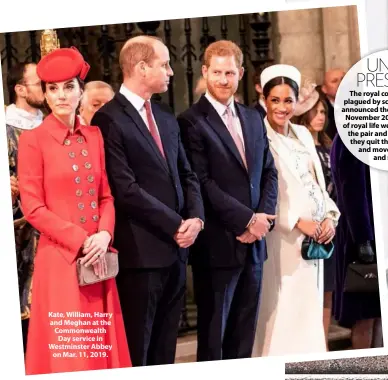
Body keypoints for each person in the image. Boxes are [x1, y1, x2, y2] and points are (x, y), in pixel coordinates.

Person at [91, 35, 204, 367]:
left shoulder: (166, 115)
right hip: (140, 254)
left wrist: (196, 218)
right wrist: (175, 224)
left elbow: (187, 173)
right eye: (164, 64)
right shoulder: (108, 118)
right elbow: (125, 189)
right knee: (138, 350)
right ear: (141, 67)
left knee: (165, 350)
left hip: (176, 251)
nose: (170, 71)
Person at [18, 47, 132, 375]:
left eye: (68, 86)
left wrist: (105, 234)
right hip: (61, 261)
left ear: (81, 91)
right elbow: (34, 207)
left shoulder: (94, 136)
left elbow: (106, 197)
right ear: (45, 94)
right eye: (52, 88)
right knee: (72, 353)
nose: (61, 95)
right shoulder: (32, 141)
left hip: (98, 259)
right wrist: (83, 240)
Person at [177, 40, 278, 361]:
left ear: (241, 74)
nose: (223, 79)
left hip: (255, 244)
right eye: (217, 72)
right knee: (214, 337)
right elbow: (201, 181)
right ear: (205, 72)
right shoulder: (191, 121)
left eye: (230, 73)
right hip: (218, 245)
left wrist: (263, 217)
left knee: (243, 334)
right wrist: (246, 220)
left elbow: (269, 172)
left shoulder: (252, 118)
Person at [252, 64, 340, 357]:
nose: (281, 107)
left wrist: (329, 216)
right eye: (275, 100)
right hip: (283, 238)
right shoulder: (258, 135)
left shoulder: (302, 133)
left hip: (316, 239)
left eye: (288, 100)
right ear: (265, 100)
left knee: (310, 310)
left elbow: (317, 183)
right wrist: (295, 221)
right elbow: (260, 190)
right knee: (284, 312)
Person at [293, 82, 337, 348]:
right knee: (311, 292)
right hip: (308, 227)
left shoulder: (329, 144)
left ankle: (323, 343)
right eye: (315, 111)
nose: (320, 116)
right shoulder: (301, 146)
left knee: (329, 291)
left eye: (323, 111)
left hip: (330, 224)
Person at [6, 62, 45, 353]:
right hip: (20, 236)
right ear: (20, 89)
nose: (47, 89)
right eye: (39, 83)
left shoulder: (51, 124)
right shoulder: (6, 129)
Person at [331, 134, 382, 349]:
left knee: (378, 316)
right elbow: (352, 191)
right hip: (362, 238)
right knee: (365, 318)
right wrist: (363, 240)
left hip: (376, 233)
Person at [320, 68, 345, 140]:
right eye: (334, 81)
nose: (341, 83)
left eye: (343, 79)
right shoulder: (323, 112)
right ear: (324, 89)